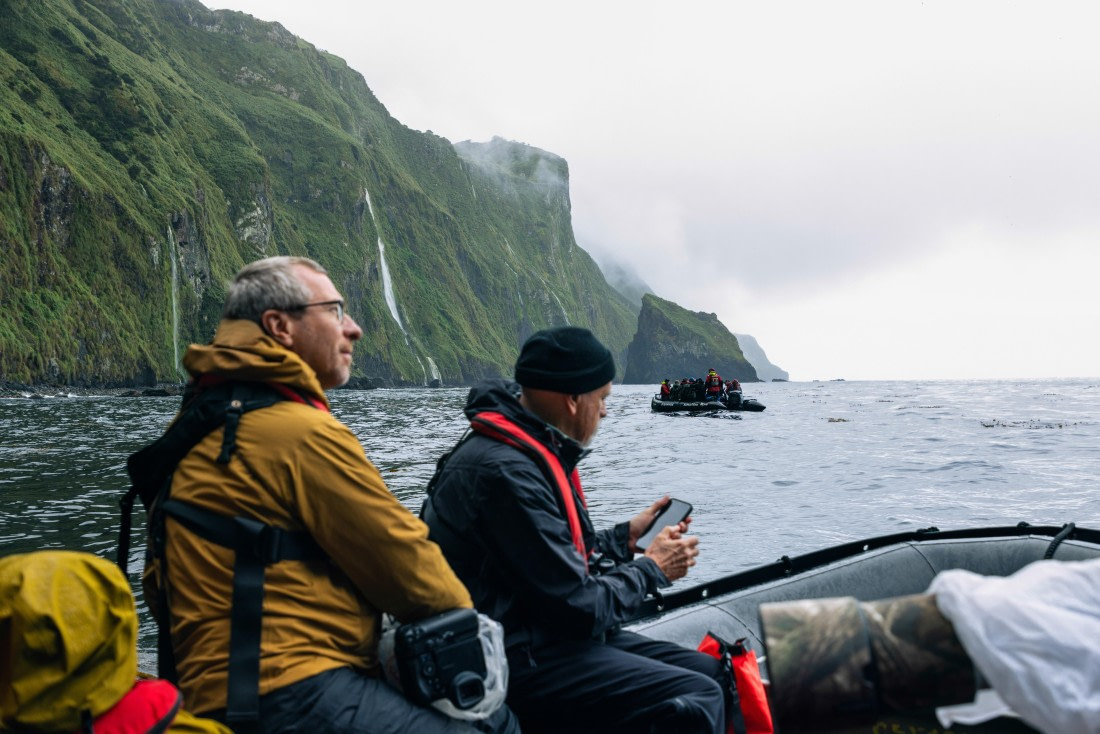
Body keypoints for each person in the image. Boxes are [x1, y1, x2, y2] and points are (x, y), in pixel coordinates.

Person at [139, 256, 515, 734]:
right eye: (336, 311)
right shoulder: (299, 432)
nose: (354, 329)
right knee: (496, 724)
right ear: (280, 326)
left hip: (212, 691)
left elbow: (157, 586)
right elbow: (415, 573)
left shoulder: (197, 425)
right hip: (292, 694)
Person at [421, 327, 727, 734]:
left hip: (539, 633)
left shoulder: (522, 450)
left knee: (714, 673)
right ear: (572, 399)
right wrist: (653, 568)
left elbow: (547, 560)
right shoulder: (506, 473)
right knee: (698, 694)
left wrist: (625, 538)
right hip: (512, 656)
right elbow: (578, 607)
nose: (604, 411)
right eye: (601, 399)